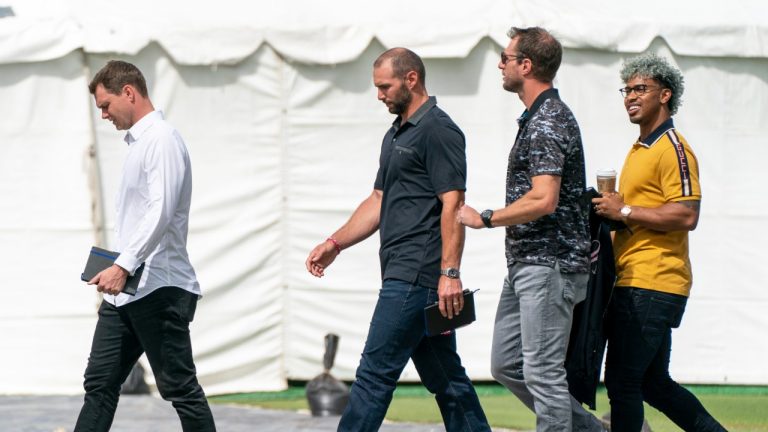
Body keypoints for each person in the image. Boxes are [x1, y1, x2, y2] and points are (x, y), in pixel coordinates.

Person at [305, 47, 490, 432]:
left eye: (384, 86)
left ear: (411, 79)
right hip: (407, 275)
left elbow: (453, 203)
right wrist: (334, 243)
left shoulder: (439, 129)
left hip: (416, 276)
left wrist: (450, 273)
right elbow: (378, 200)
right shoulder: (396, 133)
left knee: (373, 375)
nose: (379, 95)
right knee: (448, 381)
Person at [459, 27, 606, 431]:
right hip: (528, 264)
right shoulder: (536, 117)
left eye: (505, 58)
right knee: (507, 364)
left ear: (526, 65)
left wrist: (486, 218)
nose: (500, 64)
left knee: (542, 371)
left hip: (549, 265)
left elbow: (544, 199)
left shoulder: (547, 121)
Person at [75, 60, 216, 432]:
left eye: (105, 106)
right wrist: (121, 268)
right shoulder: (140, 144)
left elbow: (162, 209)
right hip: (127, 291)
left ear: (129, 93)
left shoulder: (162, 139)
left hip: (160, 287)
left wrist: (123, 265)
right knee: (99, 383)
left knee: (180, 389)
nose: (103, 115)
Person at [592, 53, 726, 431]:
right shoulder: (640, 149)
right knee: (653, 384)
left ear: (665, 95)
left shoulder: (673, 148)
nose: (631, 97)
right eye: (627, 89)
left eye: (641, 89)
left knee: (623, 381)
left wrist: (626, 211)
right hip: (635, 279)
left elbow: (686, 215)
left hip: (653, 281)